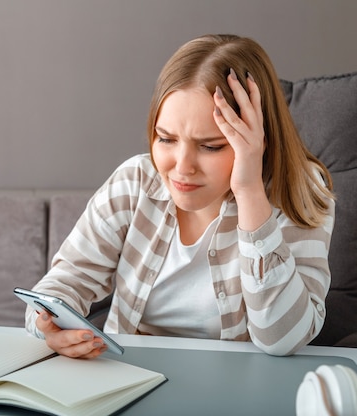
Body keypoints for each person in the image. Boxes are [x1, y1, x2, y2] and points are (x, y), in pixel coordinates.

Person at [24, 34, 335, 358]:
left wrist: (250, 193)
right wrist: (51, 329)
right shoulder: (135, 182)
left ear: (259, 137)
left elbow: (282, 339)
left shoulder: (302, 191)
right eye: (166, 138)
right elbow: (60, 286)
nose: (181, 168)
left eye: (210, 146)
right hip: (127, 378)